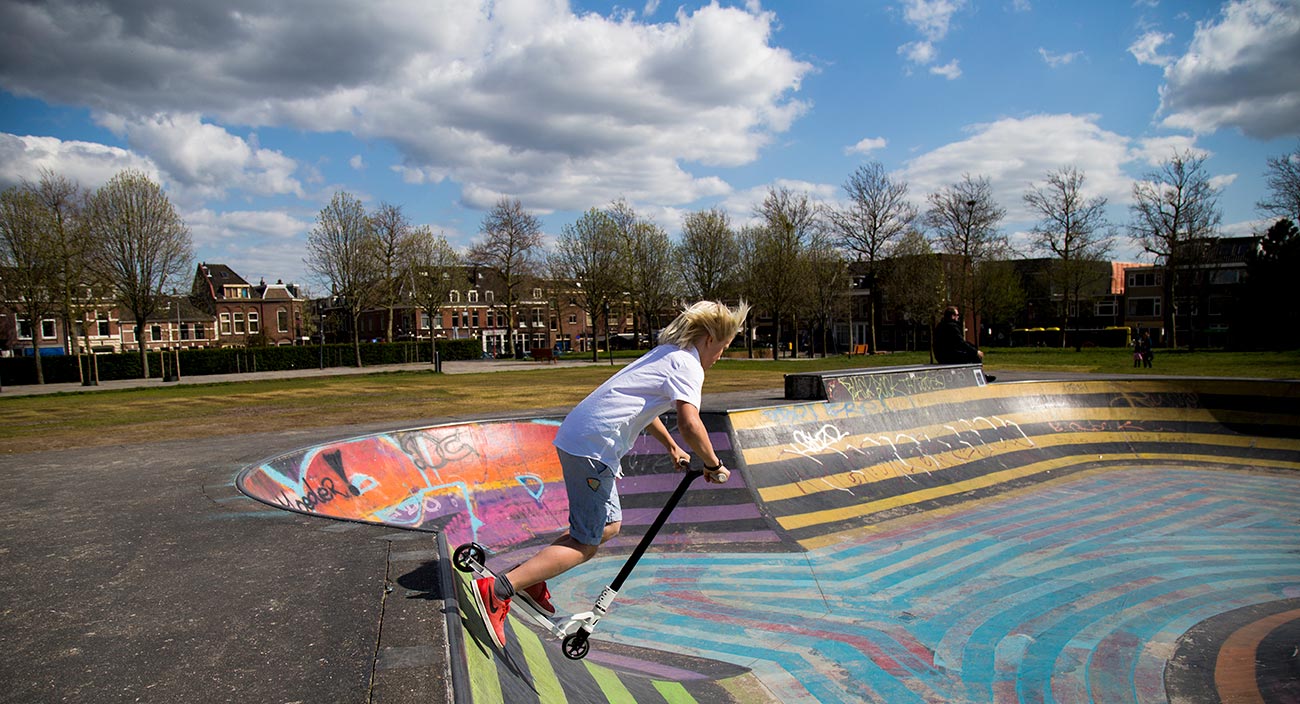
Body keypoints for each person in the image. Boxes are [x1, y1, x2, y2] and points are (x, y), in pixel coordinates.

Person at [468, 300, 750, 649]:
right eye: (722, 348)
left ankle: (531, 577)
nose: (720, 356)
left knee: (606, 527)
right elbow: (691, 423)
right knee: (586, 543)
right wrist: (712, 463)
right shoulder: (688, 365)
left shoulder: (666, 354)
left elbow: (643, 407)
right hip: (593, 448)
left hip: (583, 439)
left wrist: (672, 448)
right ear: (708, 338)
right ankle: (498, 590)